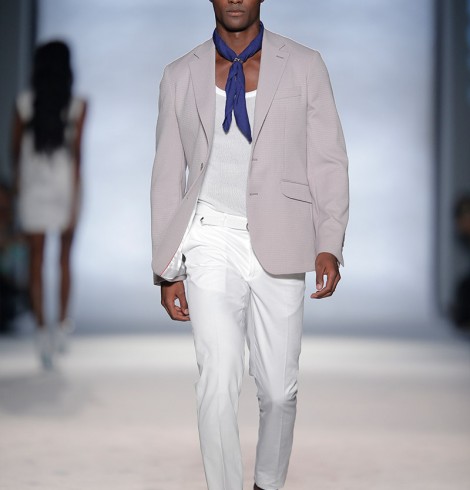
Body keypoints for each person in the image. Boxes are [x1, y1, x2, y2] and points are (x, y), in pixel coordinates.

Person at [150, 1, 349, 488]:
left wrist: (330, 239)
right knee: (217, 378)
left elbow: (328, 160)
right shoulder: (179, 75)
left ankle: (267, 483)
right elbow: (166, 175)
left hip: (282, 234)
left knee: (279, 391)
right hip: (209, 233)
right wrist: (166, 268)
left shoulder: (304, 65)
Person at [11, 40, 87, 369]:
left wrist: (19, 188)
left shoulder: (24, 104)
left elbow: (14, 150)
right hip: (64, 187)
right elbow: (78, 156)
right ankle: (61, 328)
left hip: (34, 187)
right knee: (63, 259)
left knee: (37, 260)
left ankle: (43, 331)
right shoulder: (77, 106)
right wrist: (76, 198)